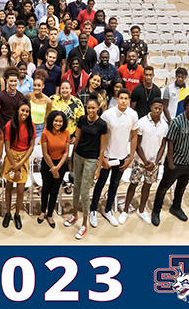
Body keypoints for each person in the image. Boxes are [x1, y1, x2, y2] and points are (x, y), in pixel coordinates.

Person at [90, 88, 138, 228]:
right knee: (100, 183)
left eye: (126, 98)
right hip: (107, 157)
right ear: (117, 99)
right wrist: (102, 158)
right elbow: (101, 137)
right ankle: (93, 209)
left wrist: (130, 157)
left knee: (115, 185)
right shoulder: (108, 115)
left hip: (123, 157)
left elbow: (134, 136)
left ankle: (108, 209)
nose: (123, 100)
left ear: (129, 100)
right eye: (121, 98)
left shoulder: (133, 115)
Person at [152, 95, 189, 226]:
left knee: (181, 187)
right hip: (175, 163)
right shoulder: (177, 121)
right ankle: (156, 210)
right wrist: (170, 162)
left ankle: (176, 207)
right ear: (185, 106)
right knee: (163, 187)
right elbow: (170, 142)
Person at [65, 97, 107, 239]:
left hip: (91, 159)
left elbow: (102, 147)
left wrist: (99, 167)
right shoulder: (82, 120)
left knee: (84, 191)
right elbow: (77, 139)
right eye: (88, 107)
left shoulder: (102, 124)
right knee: (76, 186)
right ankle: (75, 215)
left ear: (98, 108)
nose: (90, 110)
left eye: (93, 108)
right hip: (78, 156)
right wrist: (71, 158)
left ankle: (84, 224)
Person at [121, 98, 167, 225]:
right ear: (151, 108)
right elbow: (137, 144)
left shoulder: (164, 125)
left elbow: (163, 145)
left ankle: (141, 210)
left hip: (154, 164)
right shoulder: (142, 122)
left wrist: (156, 162)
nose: (157, 111)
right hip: (140, 161)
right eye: (155, 108)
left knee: (147, 186)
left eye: (160, 109)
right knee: (133, 184)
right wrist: (146, 162)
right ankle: (125, 210)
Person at [2, 103, 35, 230]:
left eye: (27, 111)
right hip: (11, 156)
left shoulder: (30, 124)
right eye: (22, 110)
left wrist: (20, 164)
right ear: (17, 110)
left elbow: (31, 146)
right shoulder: (10, 125)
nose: (24, 114)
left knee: (20, 190)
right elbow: (7, 146)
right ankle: (7, 213)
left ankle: (17, 214)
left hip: (24, 157)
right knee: (9, 187)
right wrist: (13, 164)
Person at [39, 111, 70, 228]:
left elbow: (66, 152)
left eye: (60, 121)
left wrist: (57, 168)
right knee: (46, 188)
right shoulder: (45, 133)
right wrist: (53, 168)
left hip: (60, 164)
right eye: (56, 121)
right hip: (48, 164)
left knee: (55, 190)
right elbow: (45, 153)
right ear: (51, 121)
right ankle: (43, 211)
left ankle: (50, 214)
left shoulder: (66, 132)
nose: (58, 123)